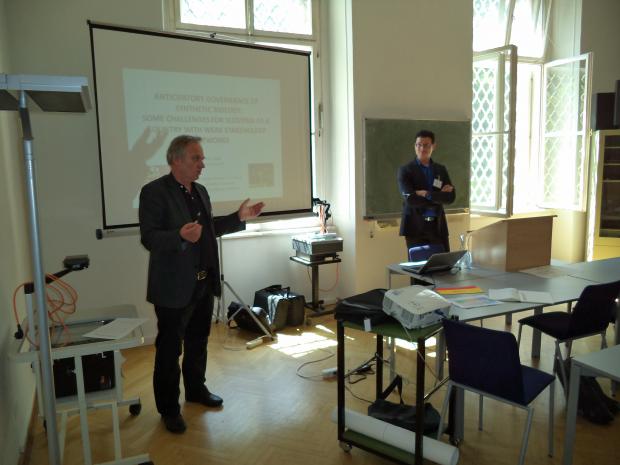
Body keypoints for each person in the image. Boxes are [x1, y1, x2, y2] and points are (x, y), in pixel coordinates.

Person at [139, 134, 264, 434]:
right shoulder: (154, 192)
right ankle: (169, 409)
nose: (202, 164)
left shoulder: (202, 192)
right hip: (173, 287)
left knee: (198, 342)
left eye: (202, 159)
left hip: (203, 282)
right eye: (196, 158)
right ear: (176, 160)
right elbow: (149, 237)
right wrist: (180, 236)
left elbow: (208, 229)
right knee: (170, 350)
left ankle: (196, 390)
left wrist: (238, 217)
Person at [397, 129, 455, 255]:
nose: (422, 149)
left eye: (426, 145)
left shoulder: (440, 169)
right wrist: (439, 197)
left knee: (443, 264)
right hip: (415, 227)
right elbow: (411, 200)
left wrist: (427, 194)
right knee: (419, 266)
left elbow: (450, 197)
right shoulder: (405, 171)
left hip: (438, 226)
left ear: (433, 146)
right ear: (415, 146)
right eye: (419, 145)